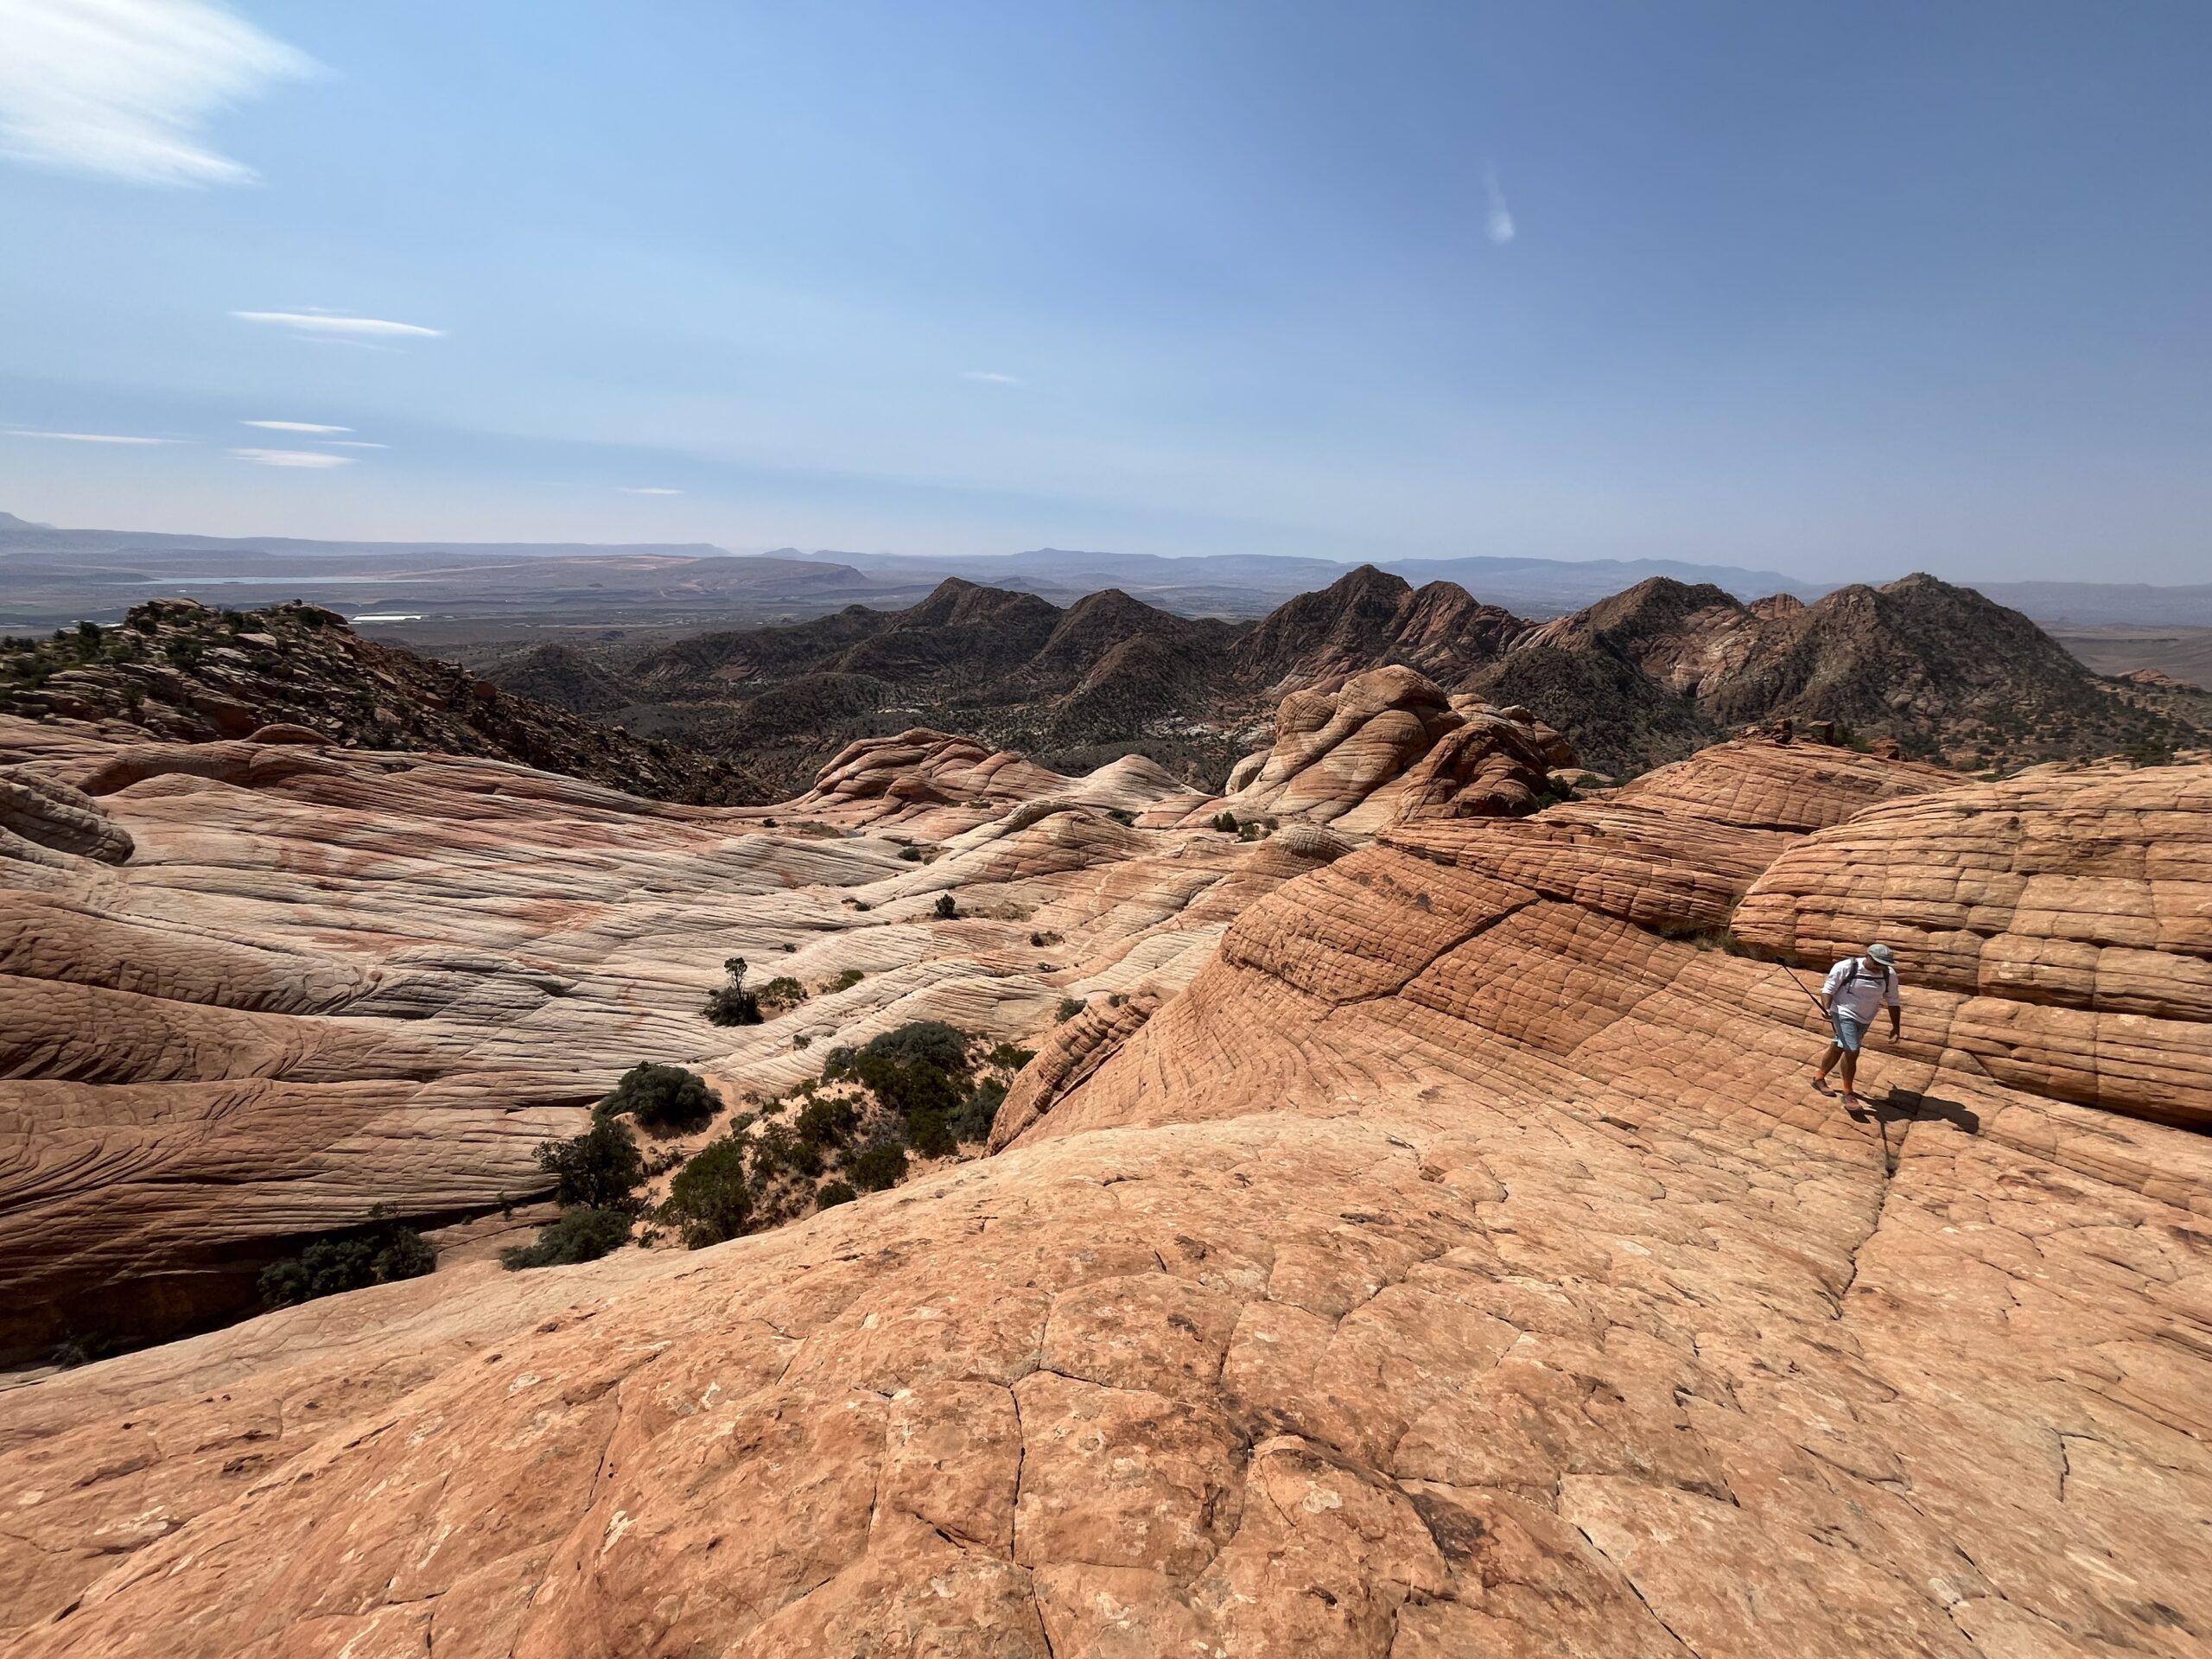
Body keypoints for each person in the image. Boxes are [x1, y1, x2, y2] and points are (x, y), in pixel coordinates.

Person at [1813, 943, 1900, 1107]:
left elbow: (1893, 1000)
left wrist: (1896, 1027)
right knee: (1852, 1050)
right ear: (1867, 957)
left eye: (1884, 965)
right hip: (1842, 1012)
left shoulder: (1889, 974)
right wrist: (1827, 1008)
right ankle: (1848, 1094)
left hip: (1866, 1017)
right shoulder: (1846, 967)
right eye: (1877, 963)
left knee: (1839, 1046)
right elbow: (1828, 989)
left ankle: (1819, 1078)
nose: (1880, 967)